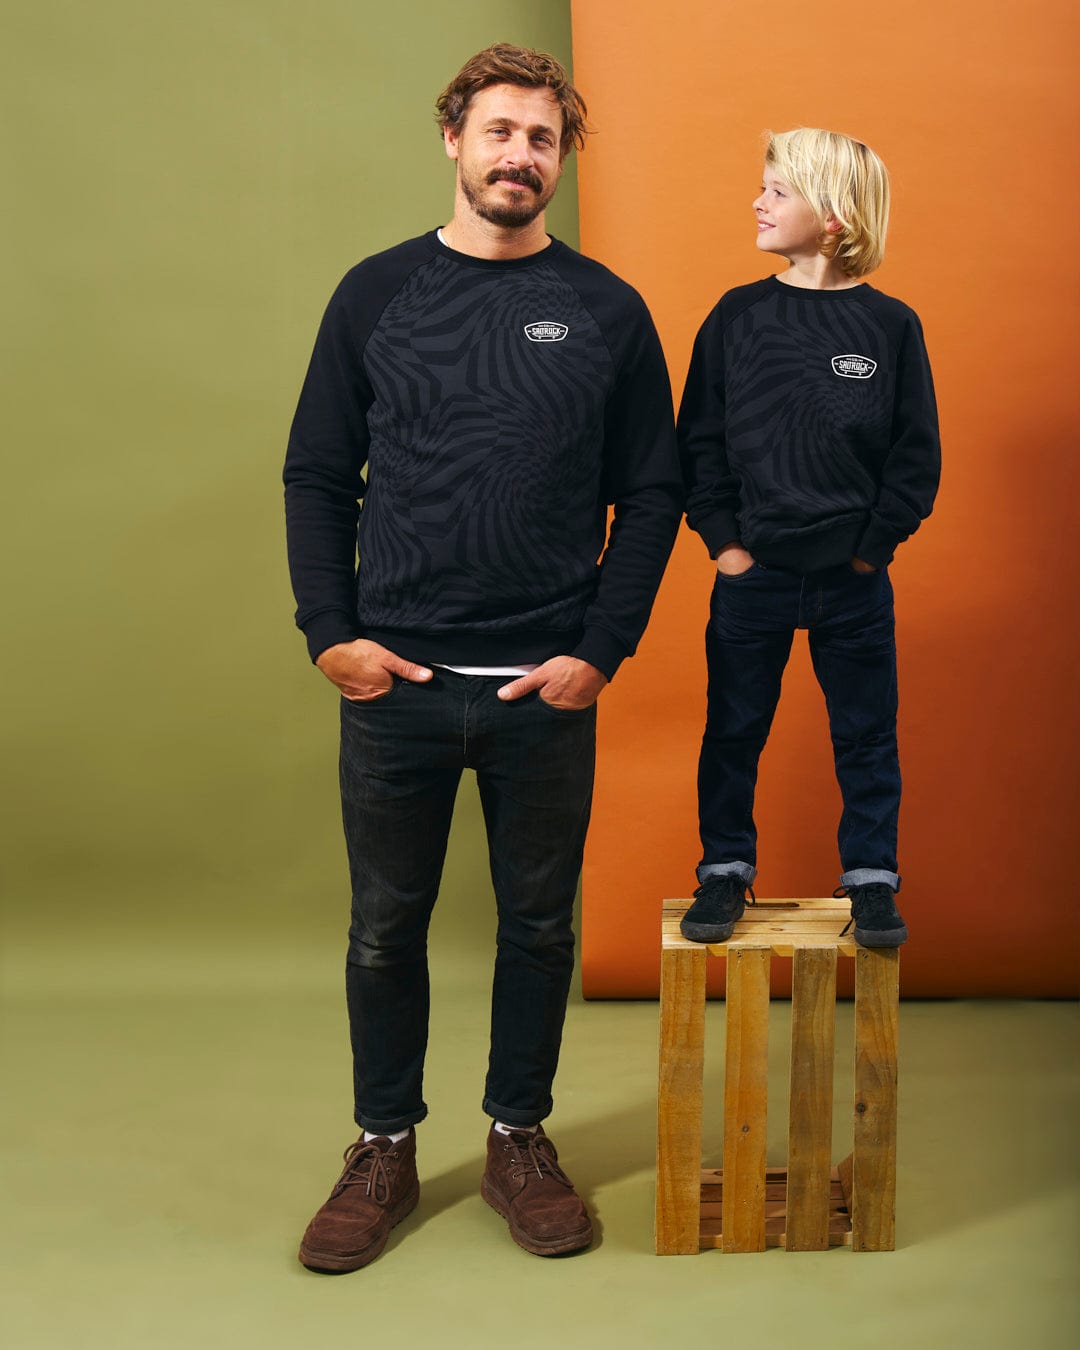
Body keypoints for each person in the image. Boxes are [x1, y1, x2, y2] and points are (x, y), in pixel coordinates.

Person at [283, 43, 681, 1272]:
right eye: (499, 131)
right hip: (394, 688)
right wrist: (330, 634)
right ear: (452, 140)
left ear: (562, 159)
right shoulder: (373, 294)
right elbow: (316, 472)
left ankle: (519, 1136)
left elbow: (654, 492)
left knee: (539, 930)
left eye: (543, 138)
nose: (520, 156)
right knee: (382, 934)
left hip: (541, 694)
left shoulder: (609, 310)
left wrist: (599, 653)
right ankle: (382, 1146)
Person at [678, 127, 940, 950]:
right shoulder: (738, 316)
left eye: (778, 191)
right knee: (733, 730)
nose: (758, 202)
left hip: (854, 584)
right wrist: (726, 546)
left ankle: (872, 880)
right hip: (753, 578)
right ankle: (724, 869)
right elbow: (700, 441)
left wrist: (871, 548)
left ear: (833, 215)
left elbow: (915, 456)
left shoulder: (890, 327)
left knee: (867, 734)